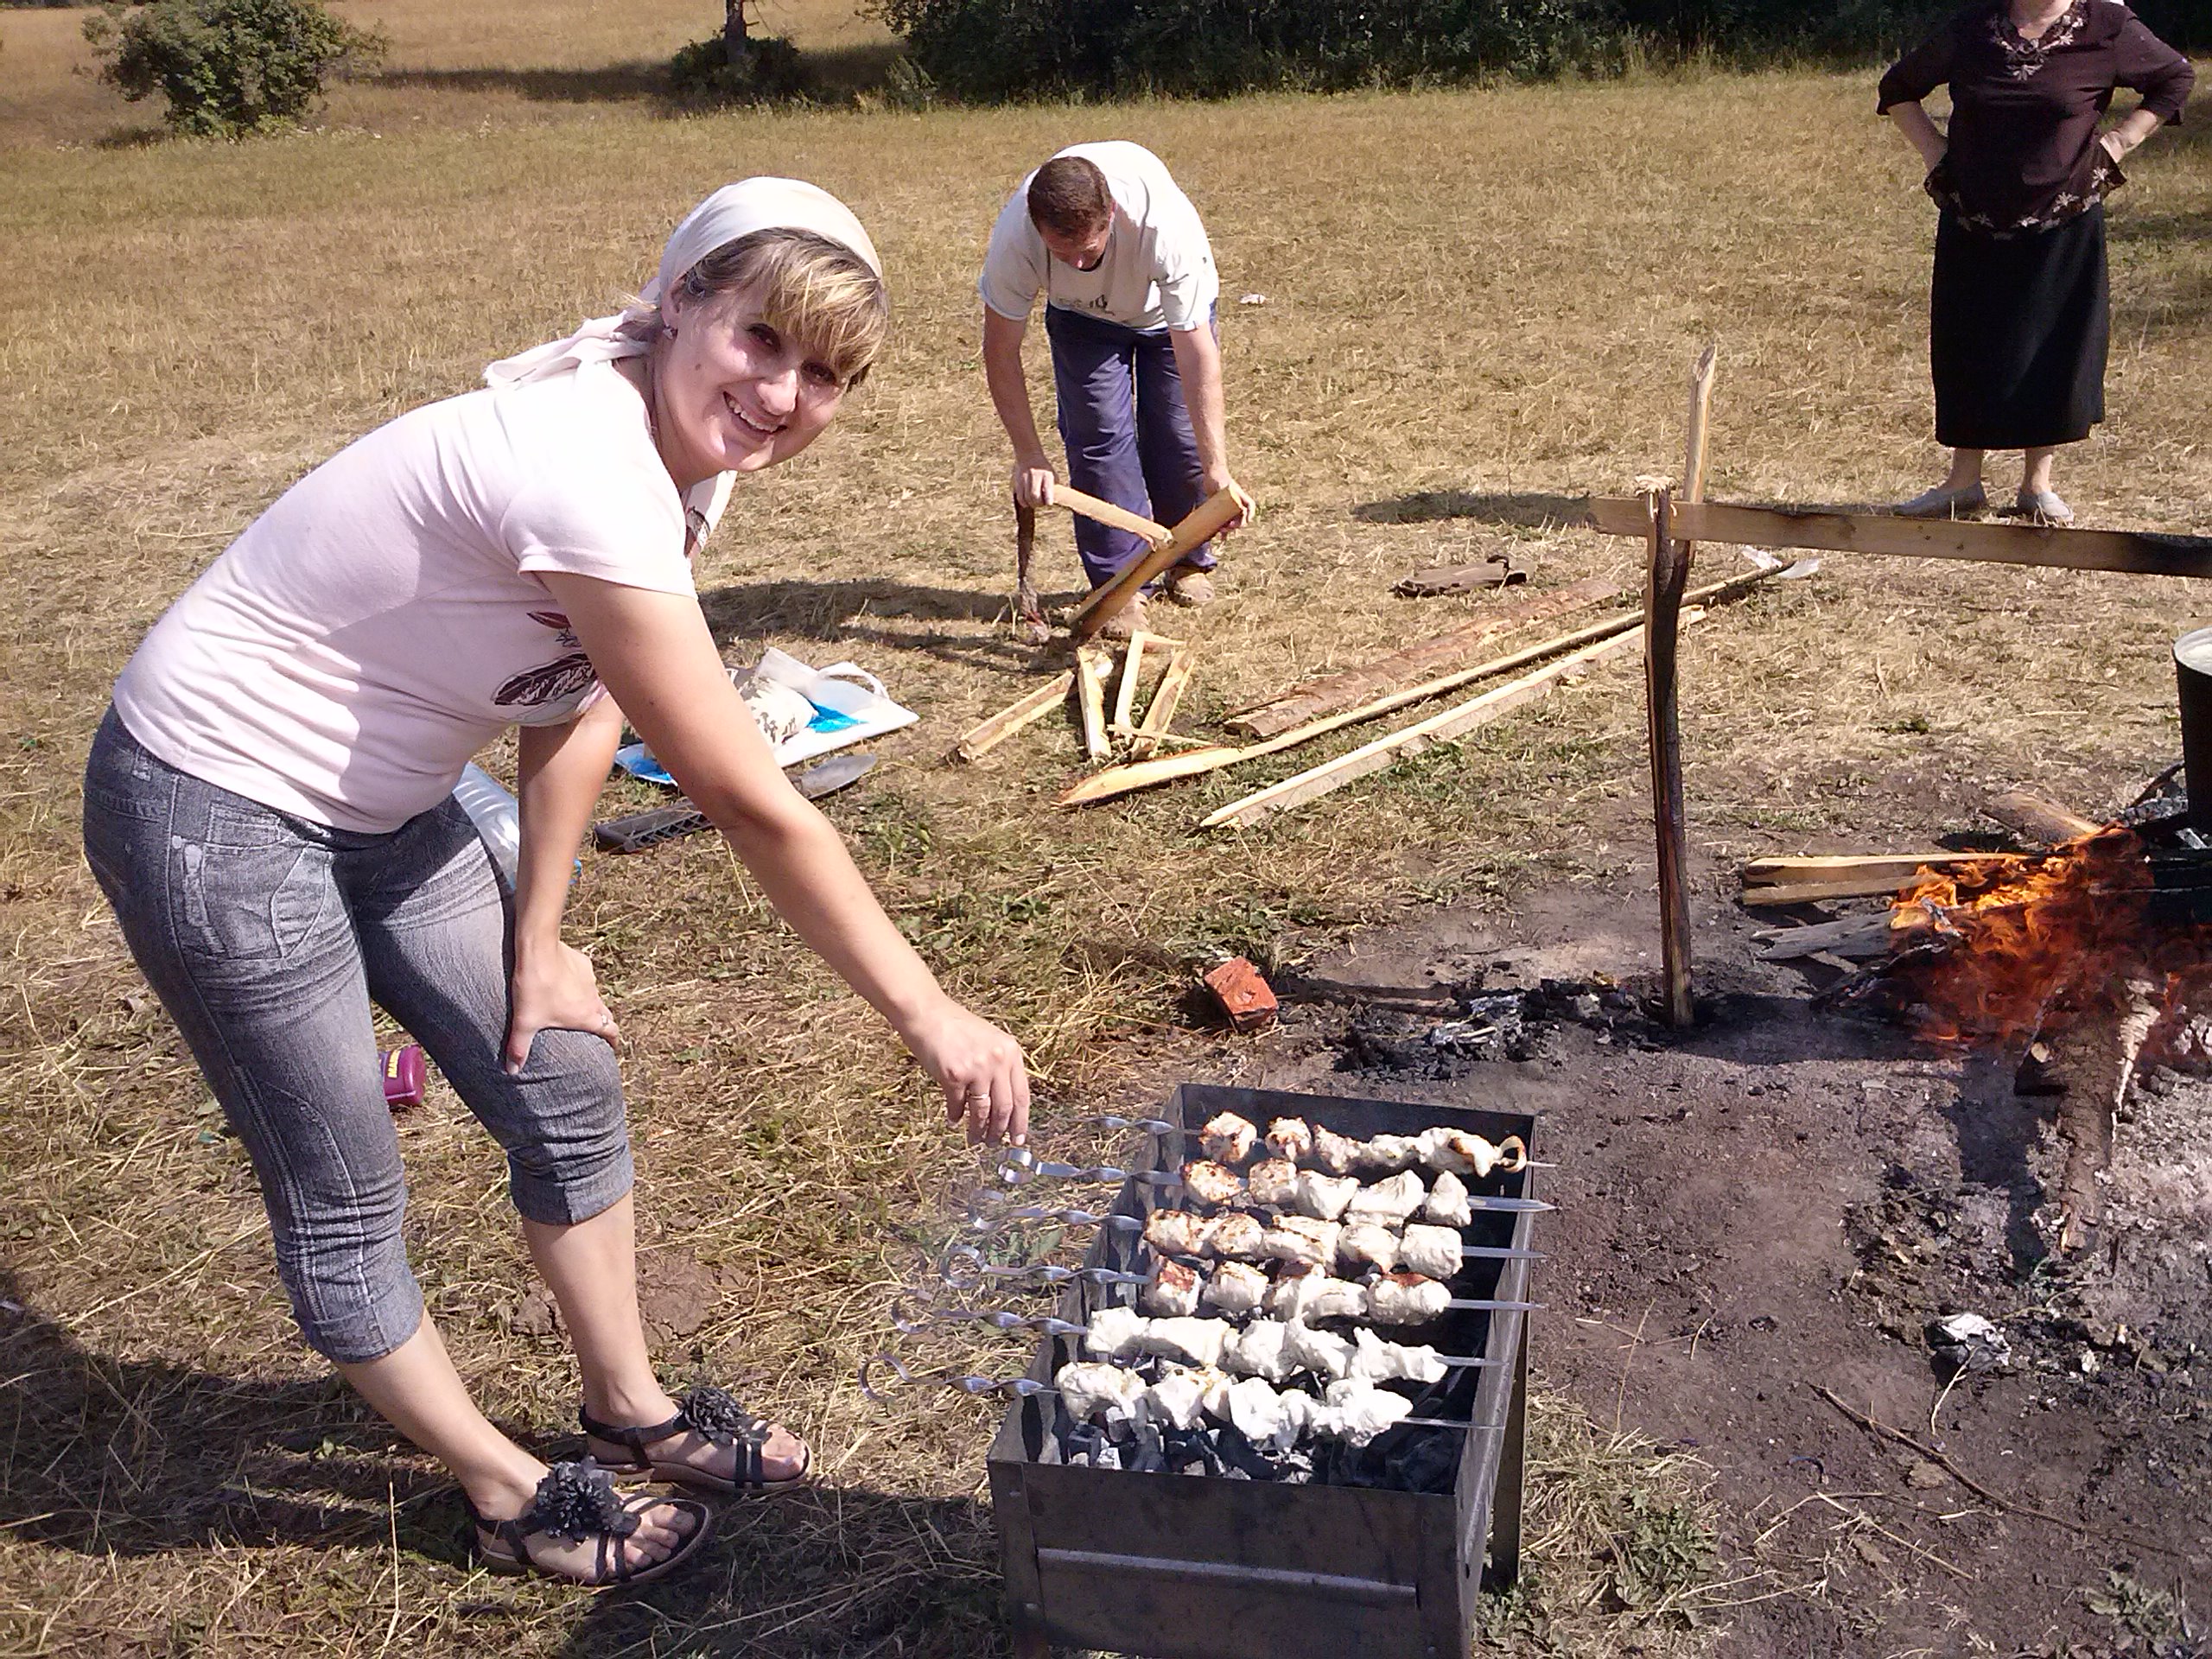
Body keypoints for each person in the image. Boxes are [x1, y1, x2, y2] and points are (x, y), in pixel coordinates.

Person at [79, 180, 1031, 1589]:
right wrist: (930, 1009)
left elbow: (574, 699)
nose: (782, 395)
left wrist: (542, 936)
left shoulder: (682, 461)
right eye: (763, 340)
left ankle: (625, 1405)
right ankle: (500, 1486)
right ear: (680, 304)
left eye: (825, 373)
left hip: (389, 804)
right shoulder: (584, 459)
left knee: (563, 1072)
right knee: (345, 1186)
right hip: (212, 803)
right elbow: (748, 804)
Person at [1878, 0, 2192, 524]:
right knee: (1968, 345)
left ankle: (2037, 485)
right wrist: (1937, 155)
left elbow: (2175, 79)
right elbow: (1898, 87)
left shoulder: (2106, 26)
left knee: (2053, 346)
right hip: (1971, 215)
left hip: (2063, 217)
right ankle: (1962, 484)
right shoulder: (1974, 25)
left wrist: (2117, 143)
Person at [979, 141, 1255, 639]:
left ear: (1112, 213)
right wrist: (1028, 454)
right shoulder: (1015, 238)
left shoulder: (1164, 227)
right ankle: (1121, 586)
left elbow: (1196, 352)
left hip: (1165, 321)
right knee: (1099, 438)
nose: (1080, 266)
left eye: (1090, 249)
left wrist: (1217, 470)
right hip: (1081, 322)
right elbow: (1000, 352)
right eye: (1064, 255)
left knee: (1177, 432)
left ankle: (1188, 560)